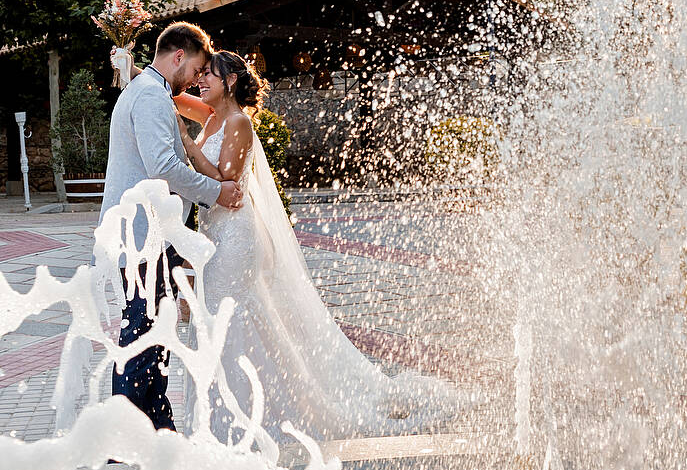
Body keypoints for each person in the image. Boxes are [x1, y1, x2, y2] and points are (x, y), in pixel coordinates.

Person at [175, 49, 471, 440]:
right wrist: (129, 66)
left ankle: (253, 416)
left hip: (236, 237)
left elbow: (225, 183)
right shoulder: (211, 116)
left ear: (230, 81)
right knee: (217, 317)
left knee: (232, 318)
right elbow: (171, 96)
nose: (201, 80)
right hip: (216, 235)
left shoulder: (237, 122)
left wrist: (188, 145)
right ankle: (221, 413)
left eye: (209, 74)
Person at [101, 22, 242, 430]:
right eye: (197, 67)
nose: (198, 77)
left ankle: (160, 433)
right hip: (143, 237)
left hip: (152, 236)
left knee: (155, 336)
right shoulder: (148, 96)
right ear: (178, 56)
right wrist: (216, 193)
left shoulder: (152, 93)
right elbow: (161, 166)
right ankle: (126, 440)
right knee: (141, 340)